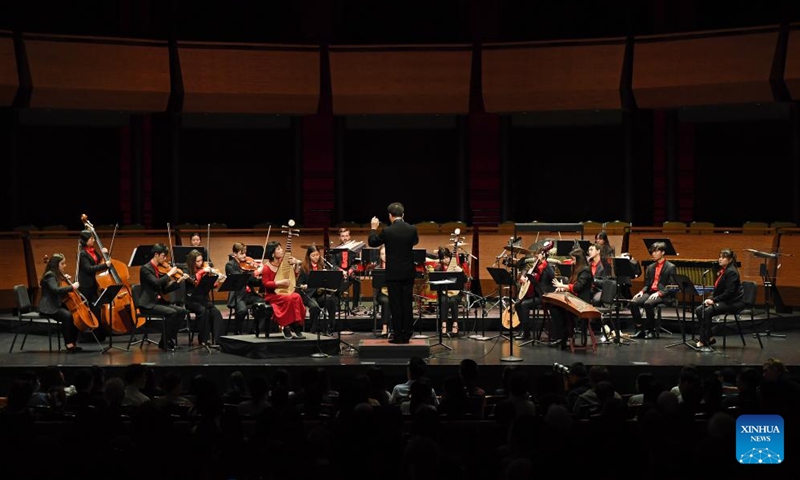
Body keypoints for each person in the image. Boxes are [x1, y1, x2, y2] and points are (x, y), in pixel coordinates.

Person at [368, 202, 419, 344]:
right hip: (408, 272)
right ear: (403, 215)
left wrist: (373, 228)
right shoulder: (412, 229)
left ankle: (398, 335)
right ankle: (407, 333)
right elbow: (415, 242)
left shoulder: (388, 231)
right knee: (407, 303)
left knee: (395, 304)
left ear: (390, 216)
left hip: (393, 273)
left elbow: (372, 242)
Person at [138, 243, 189, 351]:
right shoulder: (145, 269)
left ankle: (169, 339)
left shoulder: (159, 268)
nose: (165, 259)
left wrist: (178, 281)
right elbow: (156, 283)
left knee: (181, 311)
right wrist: (170, 273)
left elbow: (164, 289)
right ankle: (165, 342)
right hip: (148, 304)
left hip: (158, 302)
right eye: (163, 256)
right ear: (156, 255)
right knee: (172, 313)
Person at [694, 249, 744, 350]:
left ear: (729, 260)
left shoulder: (732, 272)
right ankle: (710, 337)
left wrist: (714, 300)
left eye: (723, 257)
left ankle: (703, 340)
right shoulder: (724, 271)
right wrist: (711, 298)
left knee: (707, 311)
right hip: (725, 300)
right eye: (719, 257)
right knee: (699, 310)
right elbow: (718, 290)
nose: (720, 259)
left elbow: (730, 292)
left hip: (732, 302)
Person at [628, 241, 677, 339]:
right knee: (633, 302)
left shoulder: (671, 267)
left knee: (648, 303)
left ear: (662, 252)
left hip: (664, 294)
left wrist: (659, 293)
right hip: (651, 292)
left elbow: (672, 286)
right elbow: (647, 284)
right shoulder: (650, 267)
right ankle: (640, 329)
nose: (653, 254)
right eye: (652, 252)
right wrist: (641, 291)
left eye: (656, 251)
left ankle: (651, 330)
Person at [39, 253, 85, 353]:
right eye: (62, 264)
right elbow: (55, 290)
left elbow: (58, 287)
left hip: (56, 304)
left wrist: (63, 279)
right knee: (67, 316)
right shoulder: (50, 275)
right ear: (56, 265)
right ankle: (69, 344)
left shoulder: (55, 275)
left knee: (75, 315)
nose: (65, 265)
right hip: (49, 306)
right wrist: (72, 287)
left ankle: (73, 342)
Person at [549, 247, 593, 350]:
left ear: (579, 259)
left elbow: (578, 288)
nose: (571, 261)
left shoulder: (585, 270)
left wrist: (564, 286)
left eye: (573, 259)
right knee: (554, 308)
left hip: (582, 303)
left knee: (562, 311)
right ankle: (561, 336)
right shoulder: (576, 269)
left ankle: (564, 336)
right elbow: (572, 285)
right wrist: (562, 288)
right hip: (575, 300)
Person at [261, 240, 306, 339]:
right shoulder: (266, 267)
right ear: (272, 253)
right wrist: (279, 283)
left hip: (285, 292)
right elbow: (265, 284)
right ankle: (286, 326)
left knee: (297, 296)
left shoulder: (284, 263)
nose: (282, 250)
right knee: (289, 298)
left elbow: (293, 277)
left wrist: (297, 264)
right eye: (278, 249)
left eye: (281, 248)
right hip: (272, 295)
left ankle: (296, 324)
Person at [225, 242, 271, 336]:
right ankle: (238, 332)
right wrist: (256, 272)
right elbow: (240, 277)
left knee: (265, 306)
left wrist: (262, 276)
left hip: (250, 294)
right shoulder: (230, 265)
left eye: (245, 253)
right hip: (238, 296)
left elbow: (254, 282)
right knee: (242, 310)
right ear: (235, 254)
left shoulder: (248, 265)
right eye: (241, 253)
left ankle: (254, 330)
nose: (244, 256)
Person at [184, 249, 225, 346]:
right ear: (192, 261)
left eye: (201, 260)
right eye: (198, 261)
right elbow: (193, 280)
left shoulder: (204, 268)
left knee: (216, 313)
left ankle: (218, 340)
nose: (200, 263)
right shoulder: (186, 270)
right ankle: (203, 339)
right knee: (203, 311)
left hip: (203, 299)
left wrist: (217, 279)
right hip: (191, 300)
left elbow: (210, 286)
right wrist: (202, 271)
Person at [514, 244, 555, 341]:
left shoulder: (548, 266)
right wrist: (523, 276)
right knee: (517, 304)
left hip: (543, 295)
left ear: (543, 256)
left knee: (524, 305)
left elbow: (552, 276)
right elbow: (526, 270)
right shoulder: (535, 266)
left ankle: (525, 332)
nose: (535, 258)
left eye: (537, 256)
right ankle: (524, 328)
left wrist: (544, 262)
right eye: (535, 256)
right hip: (534, 294)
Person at [297, 245, 339, 335]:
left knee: (331, 300)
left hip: (320, 294)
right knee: (314, 307)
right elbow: (299, 283)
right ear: (309, 256)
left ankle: (330, 328)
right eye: (313, 255)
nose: (316, 257)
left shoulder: (323, 266)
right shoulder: (304, 268)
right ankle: (313, 330)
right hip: (309, 295)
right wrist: (303, 285)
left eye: (317, 255)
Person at [77, 229, 111, 326]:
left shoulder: (93, 250)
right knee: (87, 309)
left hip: (94, 284)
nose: (93, 240)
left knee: (95, 308)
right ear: (85, 240)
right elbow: (88, 268)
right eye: (91, 238)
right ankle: (86, 333)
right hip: (86, 285)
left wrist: (105, 254)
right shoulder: (82, 253)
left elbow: (99, 261)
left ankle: (97, 331)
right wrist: (105, 265)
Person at [434, 247, 467, 336]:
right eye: (443, 258)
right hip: (443, 293)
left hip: (456, 293)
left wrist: (461, 272)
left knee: (452, 300)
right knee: (444, 300)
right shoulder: (438, 268)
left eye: (447, 257)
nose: (445, 260)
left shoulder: (456, 266)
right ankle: (443, 324)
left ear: (450, 257)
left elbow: (465, 280)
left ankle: (455, 324)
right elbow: (436, 284)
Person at [331, 227, 364, 314]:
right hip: (339, 273)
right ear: (339, 237)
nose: (345, 238)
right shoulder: (335, 250)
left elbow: (358, 264)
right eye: (342, 236)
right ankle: (337, 308)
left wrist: (350, 270)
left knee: (357, 281)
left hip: (350, 272)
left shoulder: (354, 249)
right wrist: (341, 271)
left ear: (349, 236)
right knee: (335, 289)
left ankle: (355, 306)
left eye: (346, 236)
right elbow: (333, 265)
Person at [373, 245, 391, 337]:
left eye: (386, 253)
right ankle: (385, 327)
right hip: (381, 293)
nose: (385, 256)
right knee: (386, 301)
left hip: (394, 292)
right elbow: (376, 285)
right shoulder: (377, 268)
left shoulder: (395, 267)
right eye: (382, 254)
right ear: (380, 256)